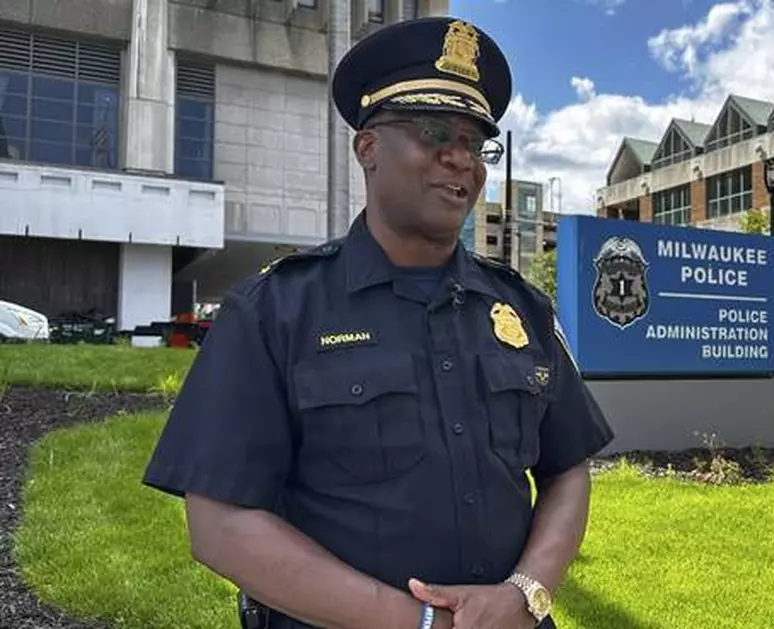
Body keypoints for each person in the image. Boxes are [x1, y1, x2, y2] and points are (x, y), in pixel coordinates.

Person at [141, 16, 614, 629]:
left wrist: (525, 594)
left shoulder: (520, 308)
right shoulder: (276, 309)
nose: (460, 160)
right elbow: (219, 523)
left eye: (475, 143)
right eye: (435, 132)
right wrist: (419, 621)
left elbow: (566, 468)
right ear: (368, 148)